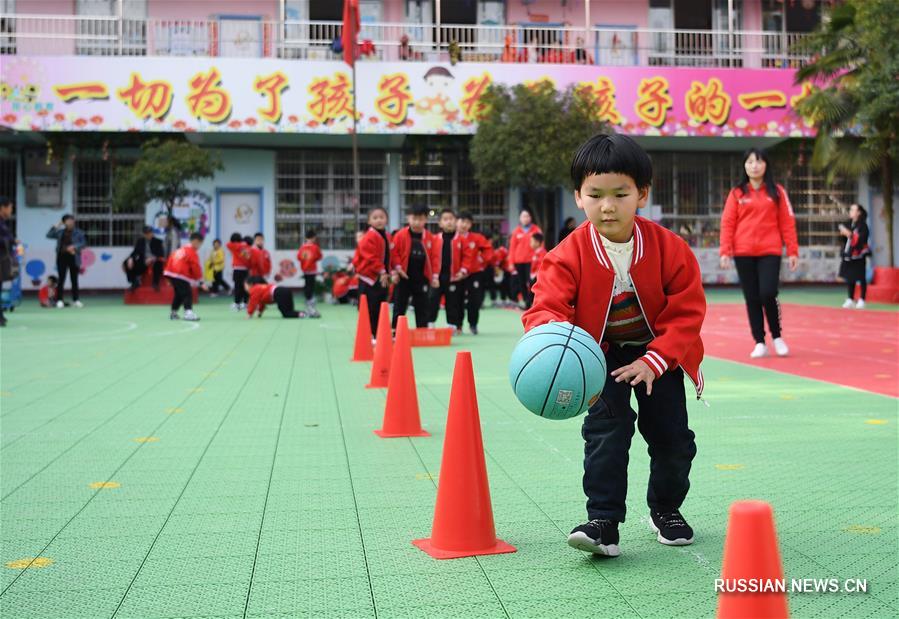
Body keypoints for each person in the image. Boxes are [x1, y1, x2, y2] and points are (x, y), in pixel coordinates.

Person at [524, 133, 706, 558]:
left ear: (642, 193)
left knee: (672, 438)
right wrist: (559, 347)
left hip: (657, 355)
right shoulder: (565, 255)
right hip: (597, 357)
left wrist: (655, 360)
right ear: (578, 196)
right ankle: (603, 521)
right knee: (606, 432)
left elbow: (687, 311)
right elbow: (544, 308)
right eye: (595, 194)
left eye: (621, 194)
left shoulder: (669, 248)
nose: (608, 205)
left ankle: (666, 509)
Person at [719, 147, 798, 358]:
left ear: (766, 165)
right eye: (750, 162)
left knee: (768, 292)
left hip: (770, 250)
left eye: (759, 162)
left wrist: (793, 251)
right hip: (743, 252)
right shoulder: (737, 194)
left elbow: (787, 222)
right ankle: (759, 341)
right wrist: (725, 251)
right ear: (744, 166)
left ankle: (777, 336)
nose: (754, 166)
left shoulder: (777, 192)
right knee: (752, 297)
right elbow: (728, 223)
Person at [391, 205, 437, 329]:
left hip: (422, 277)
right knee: (399, 305)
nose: (417, 222)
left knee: (422, 306)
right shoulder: (400, 235)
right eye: (414, 219)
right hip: (403, 277)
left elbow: (435, 258)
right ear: (408, 218)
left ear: (426, 220)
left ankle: (422, 331)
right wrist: (396, 270)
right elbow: (394, 254)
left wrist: (434, 276)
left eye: (421, 219)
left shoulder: (430, 238)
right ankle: (395, 331)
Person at [355, 207, 392, 338]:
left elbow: (388, 256)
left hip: (381, 277)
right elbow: (371, 257)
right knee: (369, 307)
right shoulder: (369, 236)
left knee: (380, 306)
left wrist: (391, 272)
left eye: (382, 217)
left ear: (386, 219)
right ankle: (369, 334)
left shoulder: (386, 236)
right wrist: (382, 271)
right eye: (375, 218)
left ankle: (378, 333)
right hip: (369, 279)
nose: (379, 220)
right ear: (369, 221)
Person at [455, 211, 493, 335]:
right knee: (457, 300)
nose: (464, 225)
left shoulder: (477, 238)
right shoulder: (452, 237)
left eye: (467, 222)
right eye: (462, 221)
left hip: (474, 273)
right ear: (457, 222)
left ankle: (473, 325)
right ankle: (458, 325)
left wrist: (482, 260)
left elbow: (488, 249)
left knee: (474, 300)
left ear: (471, 225)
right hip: (457, 275)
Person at [163, 232, 208, 321]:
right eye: (200, 244)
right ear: (195, 241)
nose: (200, 246)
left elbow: (170, 261)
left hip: (172, 274)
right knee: (187, 293)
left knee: (179, 294)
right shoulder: (192, 252)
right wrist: (201, 281)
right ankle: (188, 312)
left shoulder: (180, 250)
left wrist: (167, 277)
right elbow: (195, 267)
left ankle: (173, 313)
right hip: (181, 275)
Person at [46, 214, 86, 308]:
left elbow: (83, 243)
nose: (71, 222)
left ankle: (76, 300)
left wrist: (74, 247)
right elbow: (49, 235)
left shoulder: (79, 232)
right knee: (61, 279)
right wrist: (57, 225)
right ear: (64, 222)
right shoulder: (60, 232)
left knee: (74, 279)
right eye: (68, 220)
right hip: (61, 257)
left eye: (72, 220)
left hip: (74, 257)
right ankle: (59, 300)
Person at [429, 208, 459, 327]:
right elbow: (430, 258)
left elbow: (466, 257)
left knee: (452, 302)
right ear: (440, 223)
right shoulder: (435, 239)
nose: (449, 222)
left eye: (451, 219)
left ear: (455, 221)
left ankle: (452, 325)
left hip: (453, 277)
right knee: (433, 300)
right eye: (445, 219)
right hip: (437, 277)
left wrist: (462, 271)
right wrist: (432, 276)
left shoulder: (459, 239)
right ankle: (430, 323)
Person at [838, 203, 871, 309]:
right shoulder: (849, 224)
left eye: (853, 210)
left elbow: (861, 240)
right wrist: (843, 234)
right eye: (851, 209)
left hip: (859, 255)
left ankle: (862, 299)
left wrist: (850, 235)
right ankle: (850, 299)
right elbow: (845, 240)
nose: (851, 212)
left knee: (861, 277)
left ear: (859, 212)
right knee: (850, 277)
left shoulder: (863, 226)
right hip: (849, 254)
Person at [509, 208, 542, 309]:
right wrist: (510, 262)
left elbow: (541, 245)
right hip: (519, 261)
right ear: (520, 218)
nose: (525, 218)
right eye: (523, 216)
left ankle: (532, 301)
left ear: (530, 218)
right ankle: (526, 302)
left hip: (532, 261)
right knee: (521, 282)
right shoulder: (516, 231)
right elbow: (512, 247)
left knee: (532, 282)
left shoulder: (536, 230)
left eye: (527, 216)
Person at [123, 226, 164, 290]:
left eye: (150, 233)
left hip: (154, 260)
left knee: (158, 264)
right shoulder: (140, 241)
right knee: (127, 262)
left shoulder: (158, 242)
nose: (149, 235)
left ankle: (155, 283)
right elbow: (135, 252)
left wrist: (152, 258)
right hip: (143, 261)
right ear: (144, 234)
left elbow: (160, 254)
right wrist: (130, 258)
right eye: (147, 233)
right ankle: (134, 282)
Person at [297, 229, 323, 318]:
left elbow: (299, 257)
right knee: (311, 285)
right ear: (313, 238)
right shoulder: (315, 247)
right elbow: (319, 256)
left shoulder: (302, 247)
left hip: (305, 269)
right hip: (312, 270)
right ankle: (310, 302)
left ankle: (308, 300)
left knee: (307, 285)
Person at [0, 196, 15, 326]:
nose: (11, 211)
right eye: (10, 208)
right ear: (3, 208)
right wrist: (10, 240)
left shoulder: (3, 223)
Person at [226, 232, 251, 310]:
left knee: (237, 287)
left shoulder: (234, 245)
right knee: (245, 286)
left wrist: (236, 242)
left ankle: (237, 303)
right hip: (246, 270)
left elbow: (228, 244)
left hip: (237, 269)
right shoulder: (247, 246)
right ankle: (245, 303)